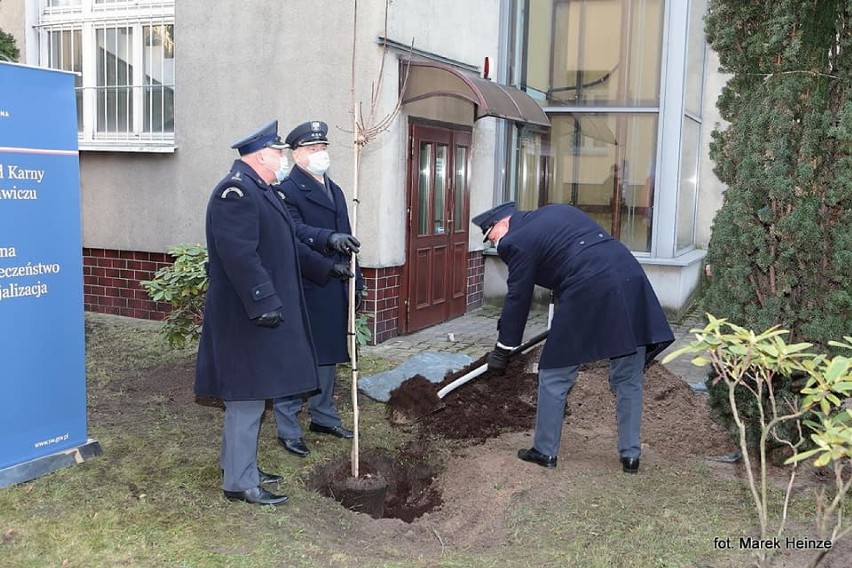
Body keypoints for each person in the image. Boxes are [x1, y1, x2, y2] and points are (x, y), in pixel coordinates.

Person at [472, 201, 674, 474]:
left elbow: (518, 297)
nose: (495, 244)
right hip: (629, 277)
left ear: (503, 223)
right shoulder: (555, 211)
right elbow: (570, 252)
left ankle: (545, 451)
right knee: (628, 376)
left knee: (554, 373)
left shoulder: (515, 240)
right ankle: (630, 456)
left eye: (492, 236)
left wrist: (504, 346)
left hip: (589, 287)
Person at [194, 120, 333, 505]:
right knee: (247, 398)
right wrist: (264, 301)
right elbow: (239, 255)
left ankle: (237, 465)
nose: (284, 159)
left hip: (253, 312)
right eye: (279, 153)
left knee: (248, 397)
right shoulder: (235, 192)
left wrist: (326, 267)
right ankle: (240, 483)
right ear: (260, 157)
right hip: (244, 316)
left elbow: (285, 245)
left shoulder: (261, 190)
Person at [273, 120, 363, 458]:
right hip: (306, 283)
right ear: (296, 155)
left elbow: (348, 236)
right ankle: (288, 427)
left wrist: (359, 278)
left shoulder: (335, 189)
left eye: (323, 148)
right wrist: (327, 262)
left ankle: (323, 416)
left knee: (328, 355)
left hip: (335, 284)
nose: (320, 154)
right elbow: (293, 236)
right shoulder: (287, 190)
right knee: (299, 358)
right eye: (312, 149)